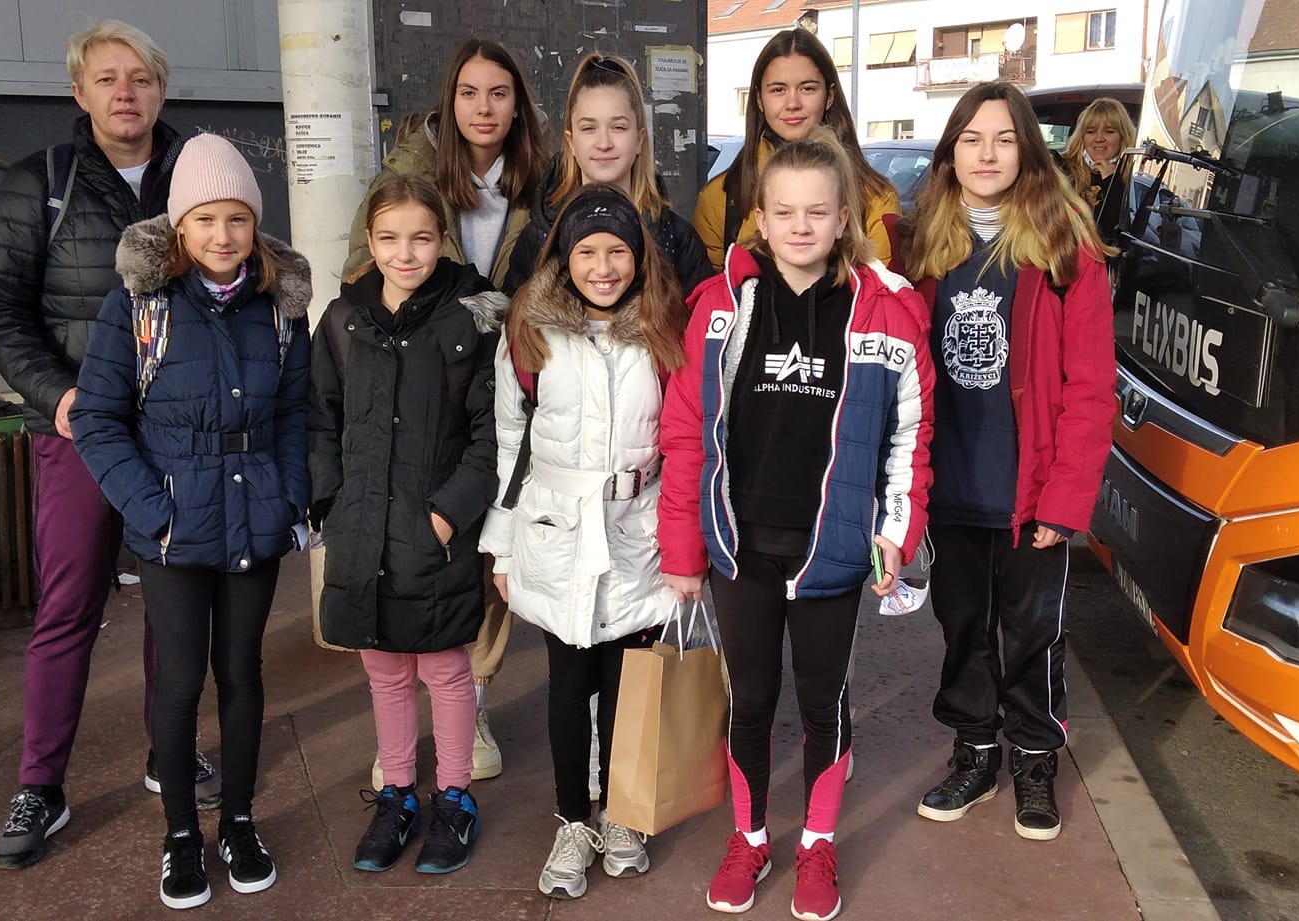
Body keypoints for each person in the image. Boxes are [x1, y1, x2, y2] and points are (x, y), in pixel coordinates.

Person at [659, 130, 934, 920]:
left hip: (833, 549)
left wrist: (894, 533)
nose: (801, 225)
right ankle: (749, 836)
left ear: (845, 217)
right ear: (760, 217)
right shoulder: (720, 306)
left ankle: (817, 841)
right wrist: (682, 548)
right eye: (784, 211)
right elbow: (686, 433)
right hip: (739, 543)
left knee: (823, 701)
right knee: (750, 700)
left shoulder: (887, 313)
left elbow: (911, 436)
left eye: (818, 211)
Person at [0, 20, 218, 871]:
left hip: (176, 438)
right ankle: (41, 784)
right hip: (78, 431)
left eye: (140, 77)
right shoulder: (43, 182)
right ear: (79, 92)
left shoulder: (196, 176)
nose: (125, 93)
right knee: (69, 607)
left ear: (161, 88)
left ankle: (168, 750)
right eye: (107, 79)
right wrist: (59, 395)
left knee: (172, 604)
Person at [69, 133, 311, 909]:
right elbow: (98, 419)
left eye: (237, 218)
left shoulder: (279, 310)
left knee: (242, 674)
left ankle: (238, 819)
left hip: (254, 519)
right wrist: (151, 509)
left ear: (254, 224)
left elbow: (298, 414)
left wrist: (289, 497)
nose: (222, 234)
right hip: (173, 528)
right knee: (178, 681)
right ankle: (180, 832)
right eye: (205, 218)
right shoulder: (138, 306)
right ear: (179, 225)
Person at [897, 80, 1116, 841]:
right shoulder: (919, 248)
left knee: (1032, 633)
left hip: (1031, 491)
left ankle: (1034, 756)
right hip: (949, 483)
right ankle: (976, 751)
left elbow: (1091, 391)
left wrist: (1066, 501)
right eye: (971, 139)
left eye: (1003, 139)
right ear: (949, 153)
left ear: (1027, 150)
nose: (986, 154)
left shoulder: (1065, 253)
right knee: (962, 626)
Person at [340, 38, 551, 782]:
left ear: (518, 104)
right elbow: (362, 272)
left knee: (494, 541)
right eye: (469, 92)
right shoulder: (411, 173)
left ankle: (475, 696)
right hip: (432, 375)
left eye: (499, 93)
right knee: (425, 546)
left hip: (516, 369)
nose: (483, 108)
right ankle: (401, 733)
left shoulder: (541, 179)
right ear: (448, 100)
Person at [481, 185, 689, 899]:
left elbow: (686, 442)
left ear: (640, 257)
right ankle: (573, 817)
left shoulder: (664, 328)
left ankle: (623, 813)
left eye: (618, 251)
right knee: (569, 685)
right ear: (564, 258)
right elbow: (511, 441)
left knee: (629, 684)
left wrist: (685, 543)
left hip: (639, 531)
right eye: (588, 252)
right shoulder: (531, 330)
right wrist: (503, 545)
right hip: (559, 530)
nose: (604, 267)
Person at [310, 173, 506, 876]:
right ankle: (397, 794)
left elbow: (491, 434)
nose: (405, 252)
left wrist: (448, 514)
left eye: (421, 238)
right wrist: (330, 504)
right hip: (363, 526)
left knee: (446, 667)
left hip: (434, 530)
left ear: (442, 239)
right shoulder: (342, 320)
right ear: (370, 241)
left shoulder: (471, 319)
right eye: (390, 238)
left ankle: (453, 796)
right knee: (384, 667)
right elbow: (319, 418)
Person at [693, 28, 901, 273]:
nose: (792, 103)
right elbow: (713, 292)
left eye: (807, 88)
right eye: (778, 90)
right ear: (759, 99)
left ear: (829, 96)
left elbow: (885, 289)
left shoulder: (875, 198)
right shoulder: (720, 197)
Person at [505, 53, 710, 294]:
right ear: (571, 141)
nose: (604, 143)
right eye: (588, 128)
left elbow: (703, 313)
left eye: (618, 127)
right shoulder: (538, 238)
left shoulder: (676, 238)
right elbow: (515, 314)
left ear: (639, 139)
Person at [1059, 97, 1137, 247]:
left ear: (1122, 137)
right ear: (1082, 136)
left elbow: (1109, 236)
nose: (1099, 138)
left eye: (1109, 131)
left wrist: (1112, 182)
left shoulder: (1127, 178)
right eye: (1091, 131)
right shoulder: (1062, 169)